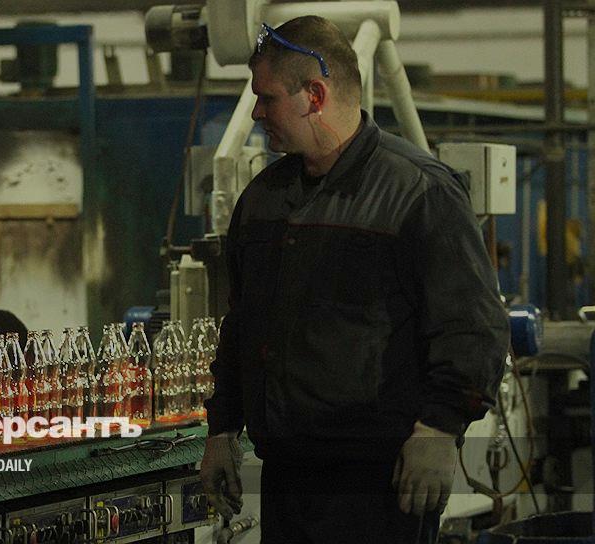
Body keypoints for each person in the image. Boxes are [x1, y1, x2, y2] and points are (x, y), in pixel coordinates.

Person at [199, 15, 509, 544]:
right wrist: (222, 427)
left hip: (380, 485)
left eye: (267, 98)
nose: (256, 113)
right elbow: (243, 324)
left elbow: (473, 327)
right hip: (287, 479)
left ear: (314, 95)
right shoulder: (264, 200)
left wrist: (439, 429)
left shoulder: (420, 193)